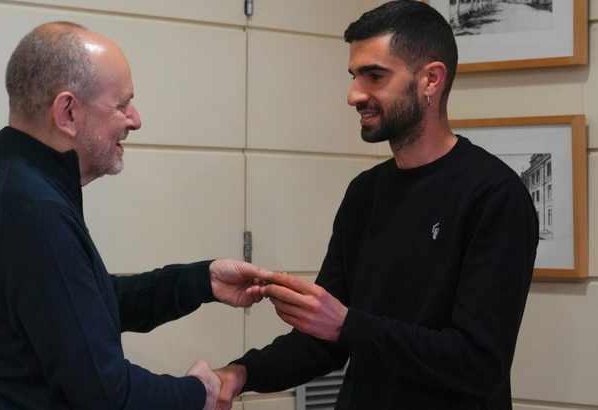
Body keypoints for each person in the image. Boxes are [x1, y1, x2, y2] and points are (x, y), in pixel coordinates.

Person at [0, 21, 272, 410]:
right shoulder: (31, 210)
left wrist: (200, 281)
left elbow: (77, 305)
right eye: (122, 104)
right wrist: (199, 393)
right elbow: (106, 395)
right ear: (68, 111)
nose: (136, 119)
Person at [214, 1, 539, 409]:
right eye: (354, 76)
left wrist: (347, 324)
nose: (354, 95)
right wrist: (240, 373)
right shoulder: (364, 193)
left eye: (374, 76)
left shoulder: (494, 196)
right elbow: (325, 343)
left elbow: (477, 362)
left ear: (431, 80)